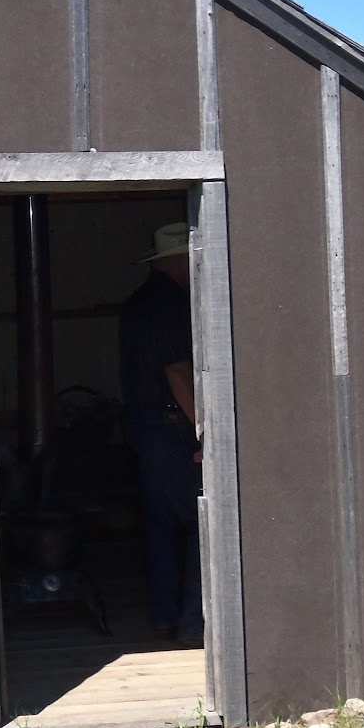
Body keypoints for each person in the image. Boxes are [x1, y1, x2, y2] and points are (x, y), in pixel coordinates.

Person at [118, 221, 203, 645]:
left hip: (146, 425)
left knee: (161, 525)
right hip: (171, 426)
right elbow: (178, 372)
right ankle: (194, 625)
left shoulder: (139, 303)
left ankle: (166, 618)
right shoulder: (171, 305)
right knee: (197, 521)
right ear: (177, 261)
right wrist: (203, 431)